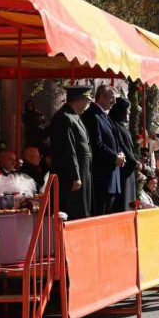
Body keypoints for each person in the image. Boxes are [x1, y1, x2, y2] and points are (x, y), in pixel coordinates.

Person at [50, 85, 94, 220]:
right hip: (71, 175)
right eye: (87, 101)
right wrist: (75, 176)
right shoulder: (65, 117)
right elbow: (68, 149)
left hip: (83, 170)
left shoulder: (74, 116)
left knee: (83, 210)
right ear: (78, 100)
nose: (88, 105)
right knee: (74, 210)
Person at [82, 85, 124, 216]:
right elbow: (96, 144)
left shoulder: (104, 116)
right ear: (102, 97)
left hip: (111, 178)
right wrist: (114, 157)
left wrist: (121, 154)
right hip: (102, 178)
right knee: (100, 214)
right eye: (112, 98)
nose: (114, 102)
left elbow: (114, 140)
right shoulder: (92, 115)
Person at [108, 97, 140, 213]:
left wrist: (136, 159)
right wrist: (134, 161)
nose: (129, 113)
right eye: (128, 110)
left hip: (129, 171)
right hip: (123, 171)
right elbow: (121, 145)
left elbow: (130, 147)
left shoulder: (122, 125)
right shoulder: (114, 125)